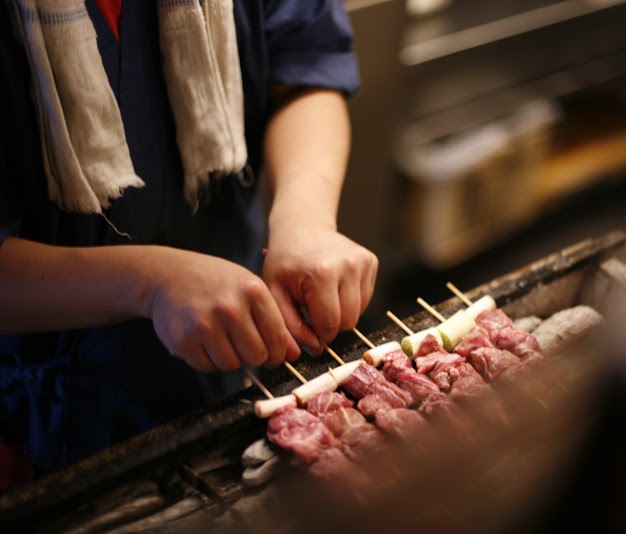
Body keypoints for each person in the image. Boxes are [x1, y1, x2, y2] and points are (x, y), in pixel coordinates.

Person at [0, 0, 378, 485]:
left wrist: (305, 220)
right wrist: (149, 284)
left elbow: (305, 66)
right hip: (35, 416)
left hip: (225, 365)